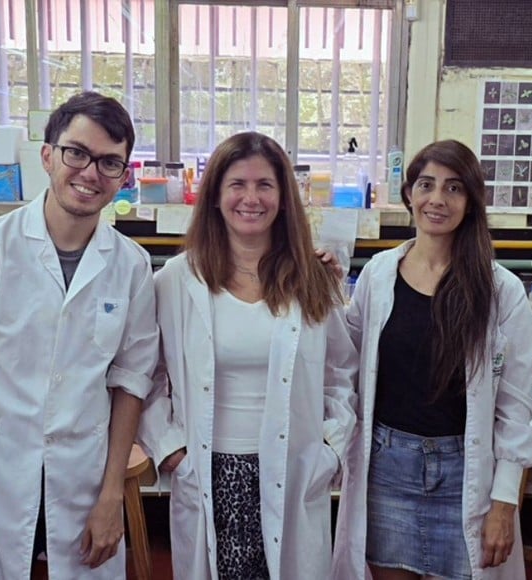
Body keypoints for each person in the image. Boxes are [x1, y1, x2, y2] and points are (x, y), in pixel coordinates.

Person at [0, 91, 159, 579]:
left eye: (110, 163)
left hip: (83, 477)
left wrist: (112, 493)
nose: (91, 173)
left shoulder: (131, 266)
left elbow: (131, 382)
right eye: (77, 153)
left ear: (123, 176)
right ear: (48, 155)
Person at [137, 131, 359, 580]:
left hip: (293, 466)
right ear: (216, 196)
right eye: (237, 184)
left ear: (283, 198)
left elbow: (341, 373)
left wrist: (331, 448)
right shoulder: (178, 280)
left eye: (265, 185)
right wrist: (170, 449)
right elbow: (147, 375)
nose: (251, 198)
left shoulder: (311, 278)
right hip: (209, 469)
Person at [331, 140, 532, 580]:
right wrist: (324, 293)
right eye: (426, 185)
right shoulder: (379, 274)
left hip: (465, 475)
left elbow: (516, 409)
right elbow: (345, 358)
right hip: (386, 472)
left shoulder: (500, 290)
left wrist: (505, 501)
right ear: (409, 193)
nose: (437, 200)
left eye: (454, 188)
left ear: (471, 201)